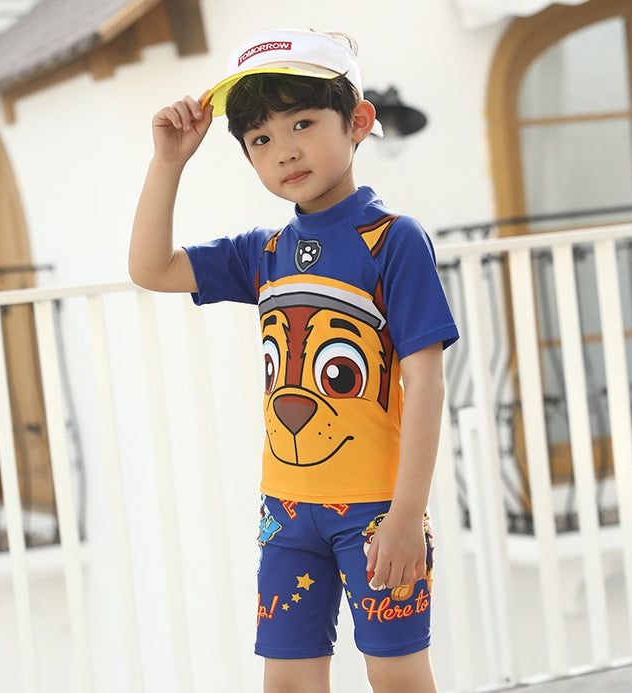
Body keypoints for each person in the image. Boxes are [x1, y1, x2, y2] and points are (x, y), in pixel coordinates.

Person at [129, 27, 459, 693]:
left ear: (357, 121)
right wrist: (169, 163)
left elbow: (425, 381)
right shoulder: (264, 251)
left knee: (397, 676)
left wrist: (405, 514)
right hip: (285, 512)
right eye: (260, 139)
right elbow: (151, 268)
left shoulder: (392, 240)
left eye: (302, 123)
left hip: (375, 511)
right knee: (286, 681)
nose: (284, 150)